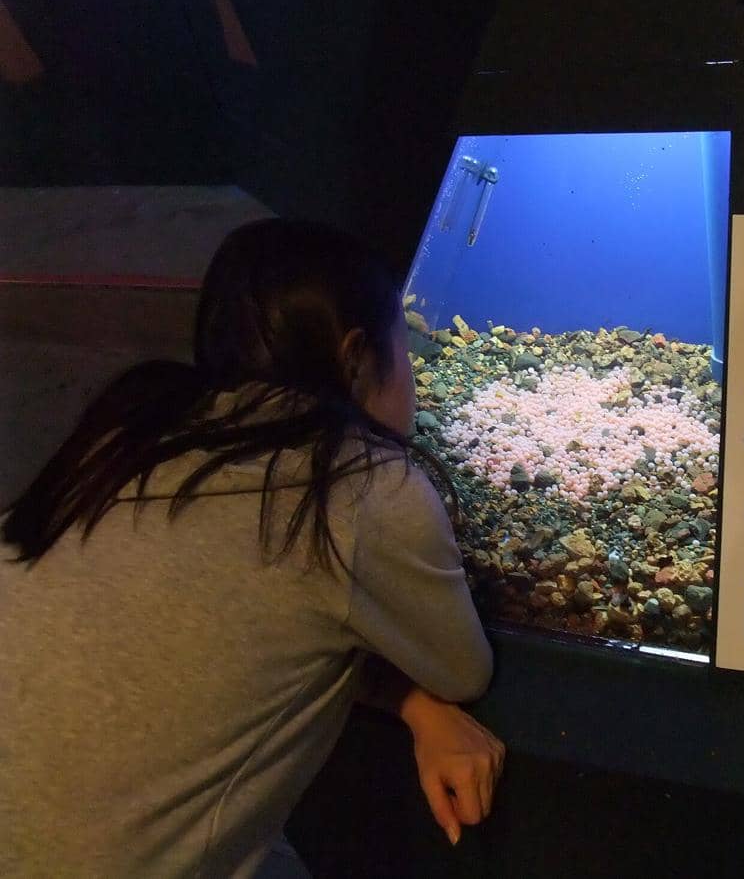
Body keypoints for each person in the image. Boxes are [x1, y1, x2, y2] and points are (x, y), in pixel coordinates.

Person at [0, 219, 504, 877]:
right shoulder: (360, 485)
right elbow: (462, 670)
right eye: (404, 348)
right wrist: (421, 698)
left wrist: (406, 705)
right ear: (356, 360)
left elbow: (205, 613)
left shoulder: (130, 430)